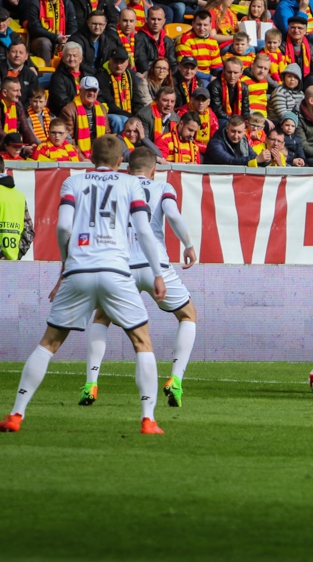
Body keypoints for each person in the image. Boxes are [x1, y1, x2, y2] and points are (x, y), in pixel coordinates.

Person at [0, 136, 167, 435]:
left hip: (79, 269)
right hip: (116, 271)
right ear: (120, 162)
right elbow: (143, 230)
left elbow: (64, 226)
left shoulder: (73, 182)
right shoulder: (130, 184)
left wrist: (65, 265)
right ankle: (148, 419)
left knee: (49, 343)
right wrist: (157, 273)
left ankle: (16, 414)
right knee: (142, 341)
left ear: (90, 158)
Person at [78, 146, 198, 410]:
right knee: (187, 315)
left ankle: (91, 383)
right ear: (154, 170)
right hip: (156, 265)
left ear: (127, 167)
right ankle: (176, 380)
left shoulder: (118, 186)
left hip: (121, 266)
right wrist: (188, 244)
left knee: (101, 318)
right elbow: (173, 215)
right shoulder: (162, 187)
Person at [60, 76, 109, 160]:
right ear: (80, 90)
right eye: (88, 89)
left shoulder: (102, 109)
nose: (91, 93)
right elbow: (68, 140)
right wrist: (82, 158)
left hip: (99, 153)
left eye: (94, 90)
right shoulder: (68, 110)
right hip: (79, 156)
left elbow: (107, 135)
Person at [97, 47, 142, 134]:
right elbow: (110, 104)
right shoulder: (102, 75)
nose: (118, 65)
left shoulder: (130, 75)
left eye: (122, 62)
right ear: (110, 60)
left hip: (127, 113)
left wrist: (138, 115)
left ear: (127, 62)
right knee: (119, 120)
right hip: (110, 112)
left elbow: (136, 98)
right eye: (115, 62)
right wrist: (130, 116)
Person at [176, 11, 224, 83]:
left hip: (208, 77)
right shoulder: (184, 40)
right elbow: (185, 68)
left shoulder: (213, 42)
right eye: (199, 24)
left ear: (210, 25)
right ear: (193, 24)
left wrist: (223, 76)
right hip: (191, 77)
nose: (202, 28)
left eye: (205, 25)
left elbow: (217, 67)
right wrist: (210, 78)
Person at [0, 157, 32, 260]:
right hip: (12, 263)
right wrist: (16, 255)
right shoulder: (19, 196)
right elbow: (29, 231)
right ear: (3, 169)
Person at [26, 0, 76, 64]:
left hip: (63, 39)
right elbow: (35, 29)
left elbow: (73, 26)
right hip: (39, 39)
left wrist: (67, 39)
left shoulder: (66, 3)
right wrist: (56, 38)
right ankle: (47, 69)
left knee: (74, 42)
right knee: (45, 43)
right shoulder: (35, 2)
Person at [135, 6, 176, 75]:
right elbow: (142, 64)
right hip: (147, 76)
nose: (156, 22)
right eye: (153, 19)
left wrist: (168, 76)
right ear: (147, 19)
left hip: (165, 76)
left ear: (164, 21)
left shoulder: (168, 41)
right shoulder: (139, 38)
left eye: (159, 19)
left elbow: (173, 64)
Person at [177, 86, 217, 154]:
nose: (200, 103)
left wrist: (212, 147)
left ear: (208, 102)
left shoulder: (211, 114)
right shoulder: (183, 113)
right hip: (188, 147)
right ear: (192, 100)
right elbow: (183, 137)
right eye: (197, 99)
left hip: (207, 148)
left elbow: (215, 134)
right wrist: (206, 149)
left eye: (203, 100)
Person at [0, 77, 38, 147]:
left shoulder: (18, 105)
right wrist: (17, 145)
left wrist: (33, 143)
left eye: (20, 90)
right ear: (4, 93)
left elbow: (25, 128)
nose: (20, 94)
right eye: (16, 91)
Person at [210, 57, 251, 123]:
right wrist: (235, 121)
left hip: (237, 119)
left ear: (241, 72)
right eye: (229, 72)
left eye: (235, 73)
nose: (232, 76)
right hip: (220, 119)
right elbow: (217, 111)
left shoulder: (244, 87)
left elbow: (245, 111)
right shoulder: (215, 86)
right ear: (223, 70)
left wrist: (246, 121)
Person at [48, 42, 84, 117]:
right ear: (63, 59)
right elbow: (62, 101)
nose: (71, 59)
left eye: (75, 56)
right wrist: (82, 109)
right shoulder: (57, 77)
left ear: (81, 59)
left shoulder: (88, 75)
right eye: (68, 56)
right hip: (66, 115)